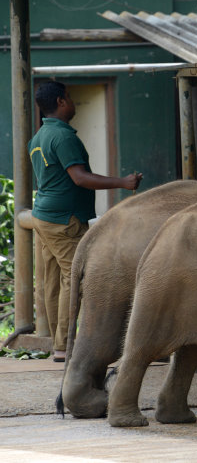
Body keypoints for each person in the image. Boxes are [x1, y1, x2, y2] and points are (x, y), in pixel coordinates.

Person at [28, 81, 143, 362]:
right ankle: (65, 346)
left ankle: (59, 343)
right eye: (68, 96)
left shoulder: (39, 136)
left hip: (44, 216)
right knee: (76, 277)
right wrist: (123, 182)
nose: (72, 101)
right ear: (61, 101)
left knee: (53, 280)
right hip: (65, 221)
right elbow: (79, 177)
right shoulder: (63, 137)